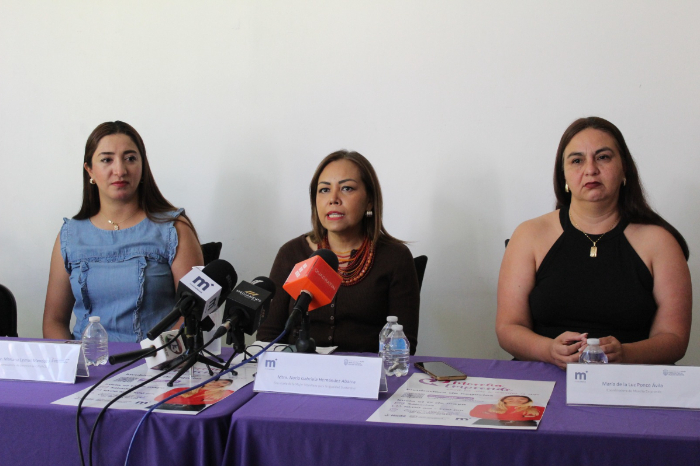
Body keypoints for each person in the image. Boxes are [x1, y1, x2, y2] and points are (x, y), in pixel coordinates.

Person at [496, 117, 691, 369]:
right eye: (577, 160)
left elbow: (674, 339)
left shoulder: (660, 242)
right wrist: (548, 350)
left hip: (631, 379)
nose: (590, 169)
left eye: (603, 157)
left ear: (624, 169)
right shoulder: (529, 235)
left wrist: (625, 354)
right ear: (563, 175)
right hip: (544, 373)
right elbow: (508, 327)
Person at [43, 121, 203, 342]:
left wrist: (158, 355)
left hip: (157, 360)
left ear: (143, 166)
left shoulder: (174, 228)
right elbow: (54, 321)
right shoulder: (70, 235)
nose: (120, 170)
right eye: (106, 160)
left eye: (130, 158)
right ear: (89, 170)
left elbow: (193, 315)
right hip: (86, 360)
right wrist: (75, 359)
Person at [257, 150, 420, 353]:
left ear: (369, 200)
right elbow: (268, 336)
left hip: (367, 370)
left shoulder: (395, 258)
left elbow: (404, 345)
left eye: (347, 188)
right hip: (299, 369)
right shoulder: (292, 253)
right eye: (324, 190)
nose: (333, 199)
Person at [469, 395, 544, 422]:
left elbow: (544, 418)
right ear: (503, 400)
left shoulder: (538, 408)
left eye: (522, 399)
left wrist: (494, 416)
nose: (515, 400)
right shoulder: (485, 406)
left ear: (528, 400)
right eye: (510, 398)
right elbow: (474, 413)